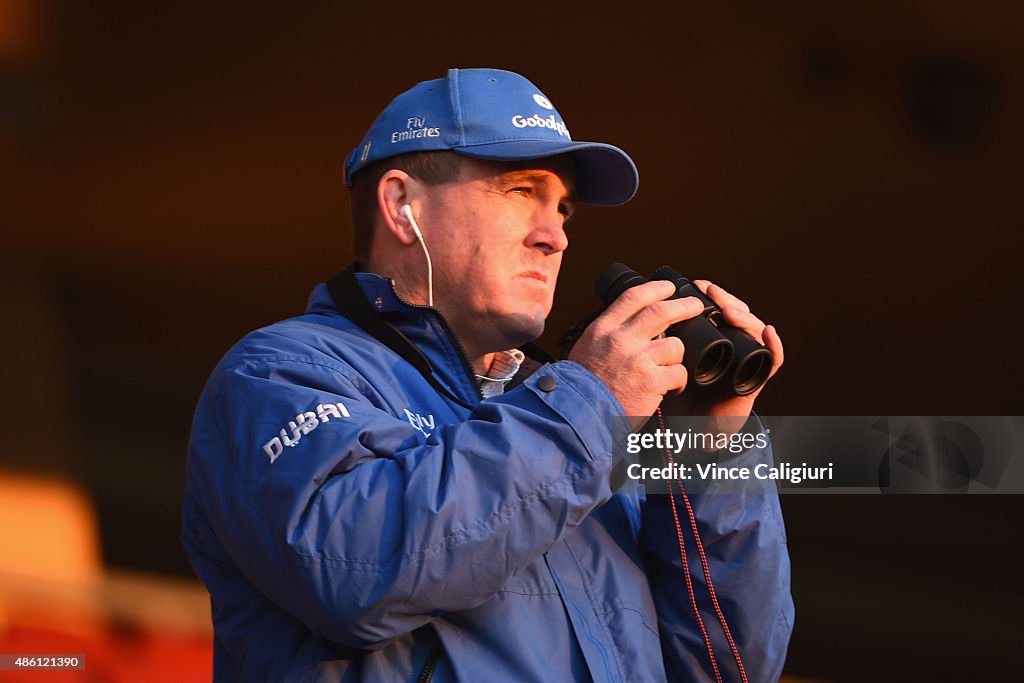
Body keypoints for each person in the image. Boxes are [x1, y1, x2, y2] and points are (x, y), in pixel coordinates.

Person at [183, 67, 793, 682]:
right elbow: (353, 572)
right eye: (520, 191)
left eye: (564, 210)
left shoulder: (580, 424)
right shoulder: (280, 372)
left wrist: (706, 452)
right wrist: (591, 405)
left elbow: (730, 667)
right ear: (401, 206)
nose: (554, 236)